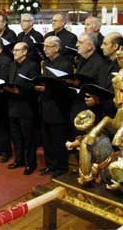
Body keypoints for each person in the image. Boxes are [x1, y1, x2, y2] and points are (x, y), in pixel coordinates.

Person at [36, 36, 74, 177]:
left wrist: (45, 89)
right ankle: (50, 165)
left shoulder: (65, 64)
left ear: (57, 48)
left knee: (58, 140)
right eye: (44, 46)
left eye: (48, 46)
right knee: (47, 140)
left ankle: (61, 167)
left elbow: (64, 87)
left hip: (58, 107)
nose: (44, 49)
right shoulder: (45, 63)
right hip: (45, 105)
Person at [4, 42, 40, 175]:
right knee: (16, 136)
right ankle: (19, 159)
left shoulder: (32, 65)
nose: (14, 52)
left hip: (26, 107)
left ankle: (31, 163)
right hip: (12, 105)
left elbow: (33, 86)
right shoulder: (12, 64)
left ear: (25, 52)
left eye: (17, 50)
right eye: (13, 50)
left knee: (28, 138)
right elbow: (9, 80)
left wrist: (19, 91)